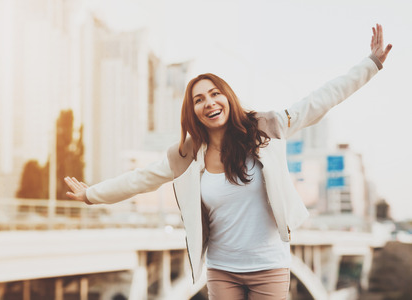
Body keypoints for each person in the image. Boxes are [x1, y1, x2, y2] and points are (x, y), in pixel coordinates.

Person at [65, 24, 392, 299]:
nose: (209, 102)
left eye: (214, 94)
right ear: (192, 112)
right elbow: (142, 178)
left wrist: (371, 64)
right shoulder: (188, 155)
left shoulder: (265, 130)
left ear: (227, 97)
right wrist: (92, 195)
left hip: (269, 268)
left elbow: (318, 101)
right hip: (222, 271)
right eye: (199, 100)